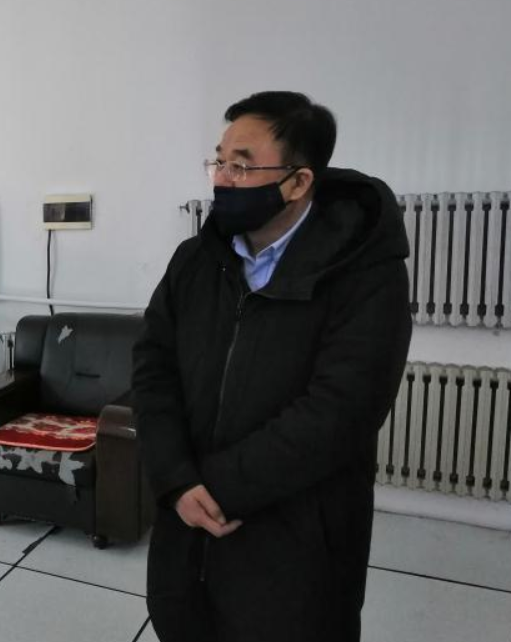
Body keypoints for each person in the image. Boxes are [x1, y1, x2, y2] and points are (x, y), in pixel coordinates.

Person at [133, 91, 412, 642]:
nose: (221, 179)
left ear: (298, 182)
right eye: (218, 161)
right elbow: (152, 366)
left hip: (297, 550)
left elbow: (340, 412)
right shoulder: (195, 261)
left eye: (241, 166)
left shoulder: (364, 275)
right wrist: (176, 478)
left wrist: (215, 487)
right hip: (185, 536)